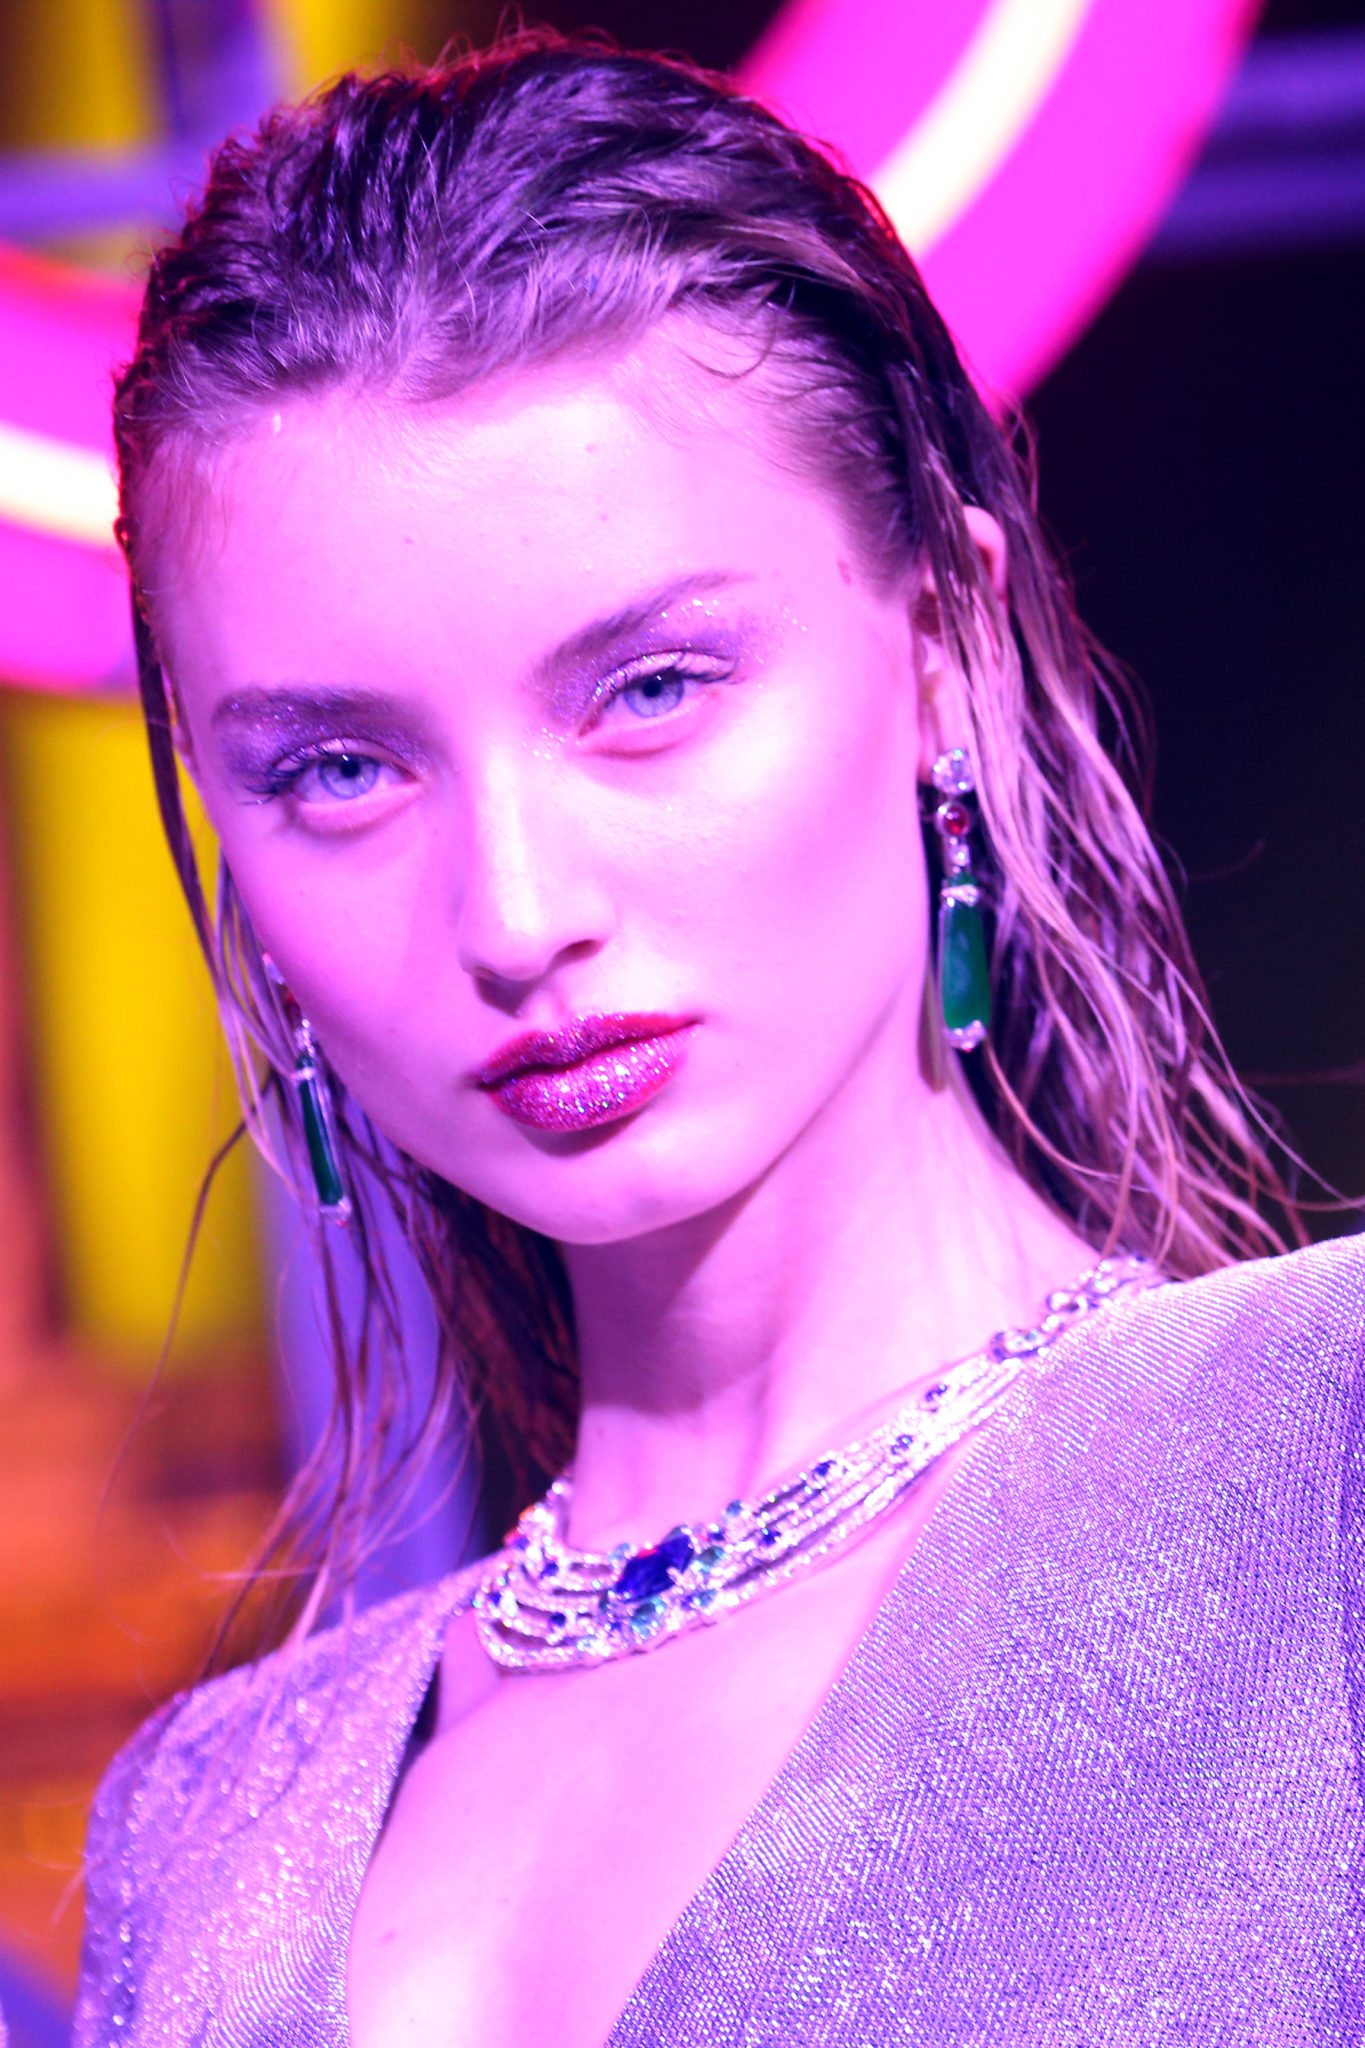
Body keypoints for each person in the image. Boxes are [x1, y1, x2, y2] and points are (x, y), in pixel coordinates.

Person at [74, 30, 1365, 2048]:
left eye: (649, 689)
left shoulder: (1314, 1475)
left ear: (940, 649)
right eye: (339, 769)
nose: (514, 913)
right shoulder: (208, 1828)